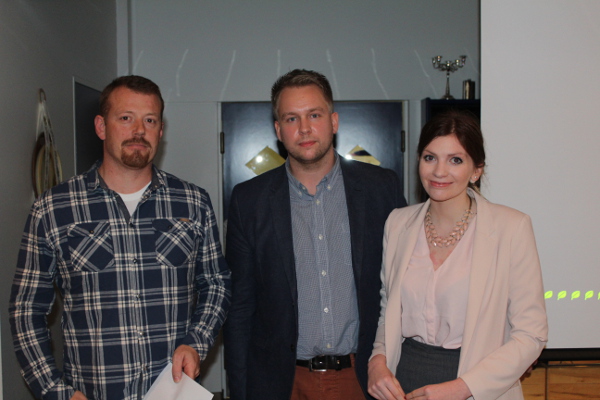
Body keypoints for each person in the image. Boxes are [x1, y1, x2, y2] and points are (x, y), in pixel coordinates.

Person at [9, 75, 231, 400]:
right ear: (101, 127)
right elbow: (26, 309)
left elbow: (216, 283)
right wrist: (56, 392)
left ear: (160, 131)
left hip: (174, 392)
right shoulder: (53, 209)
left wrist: (196, 341)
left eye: (149, 120)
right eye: (126, 118)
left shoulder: (193, 202)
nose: (139, 130)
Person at [223, 69, 407, 400]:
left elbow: (405, 285)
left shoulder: (382, 189)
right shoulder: (248, 201)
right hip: (282, 384)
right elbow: (239, 309)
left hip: (366, 379)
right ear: (278, 130)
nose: (304, 128)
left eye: (314, 115)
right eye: (291, 119)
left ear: (333, 122)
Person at [367, 111, 548, 400]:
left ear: (476, 170)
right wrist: (377, 360)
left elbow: (531, 335)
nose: (439, 171)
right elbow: (389, 308)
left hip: (478, 386)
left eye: (455, 160)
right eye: (430, 157)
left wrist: (461, 388)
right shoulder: (398, 223)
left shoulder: (511, 228)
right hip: (404, 382)